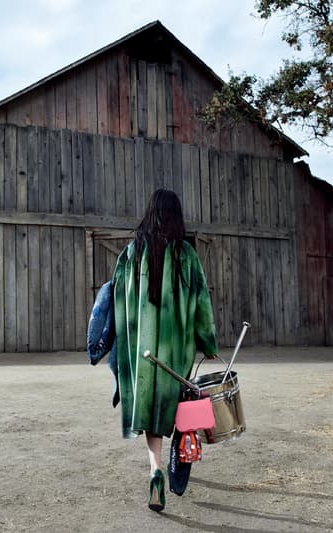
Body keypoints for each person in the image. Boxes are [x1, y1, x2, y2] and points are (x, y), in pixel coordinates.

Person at [111, 188, 219, 512]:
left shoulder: (131, 254)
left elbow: (118, 301)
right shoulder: (186, 255)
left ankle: (156, 468)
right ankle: (179, 462)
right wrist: (208, 342)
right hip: (176, 354)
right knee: (179, 407)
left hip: (143, 355)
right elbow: (201, 303)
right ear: (176, 216)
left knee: (153, 414)